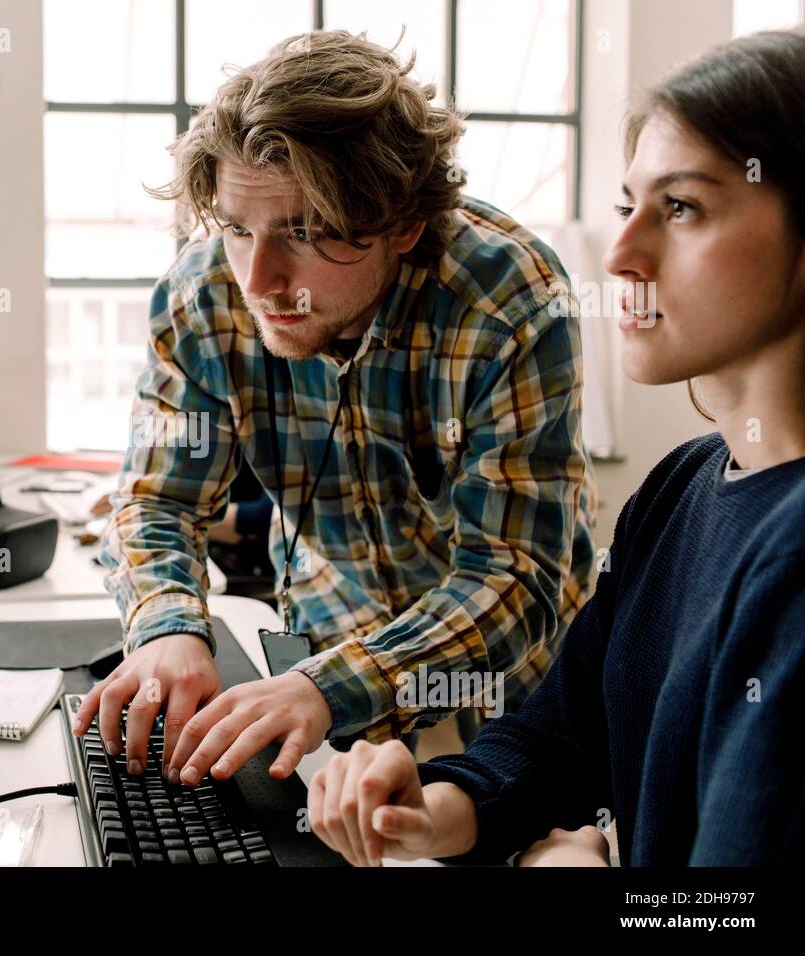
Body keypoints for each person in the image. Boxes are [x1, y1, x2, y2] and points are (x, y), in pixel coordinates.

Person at [306, 28, 805, 867]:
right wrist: (438, 803)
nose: (621, 253)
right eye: (627, 205)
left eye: (682, 207)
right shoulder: (683, 485)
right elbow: (558, 734)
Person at [72, 30, 597, 784]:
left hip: (516, 662)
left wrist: (330, 686)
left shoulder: (508, 300)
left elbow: (510, 575)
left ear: (404, 223)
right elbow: (155, 499)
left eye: (305, 231)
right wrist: (166, 626)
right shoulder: (202, 296)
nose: (260, 280)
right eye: (238, 228)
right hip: (332, 632)